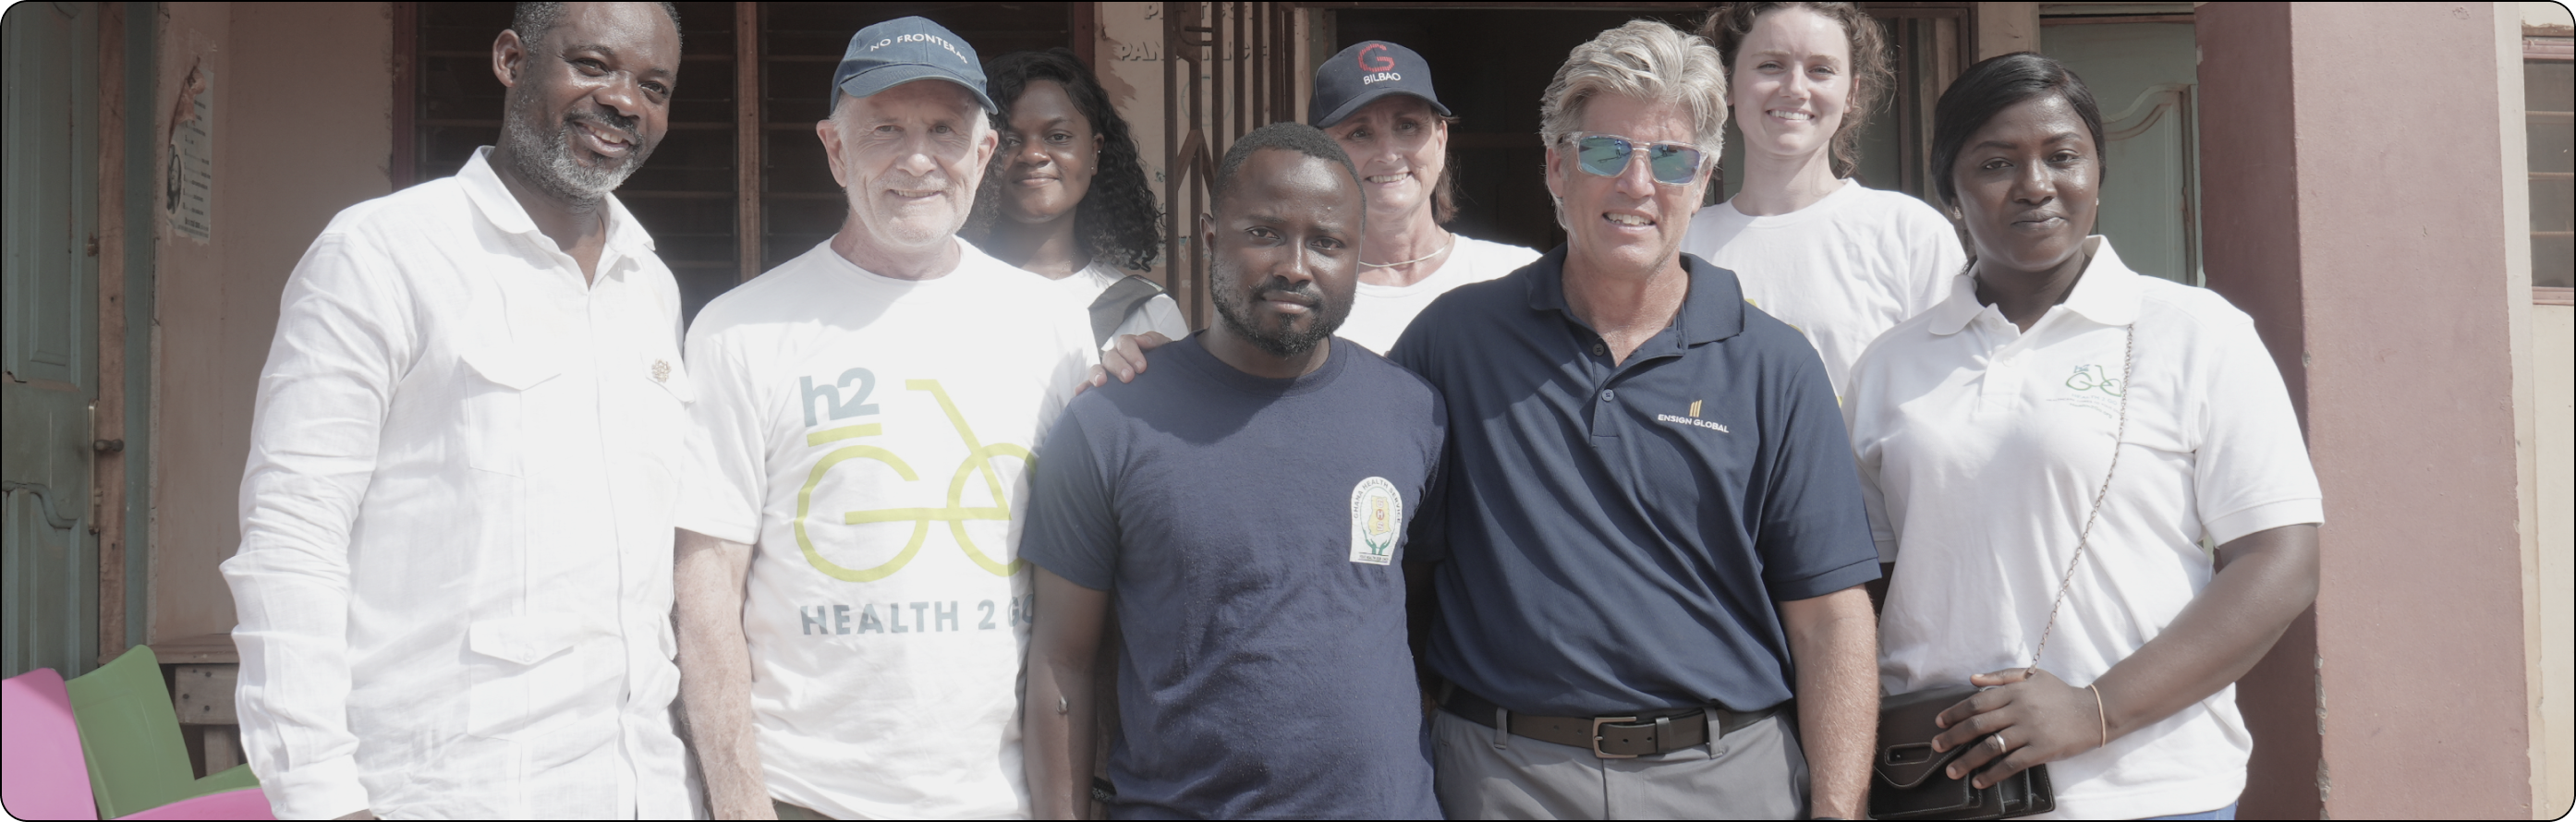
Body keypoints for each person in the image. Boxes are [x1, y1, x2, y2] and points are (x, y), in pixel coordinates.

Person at [1391, 20, 1877, 820]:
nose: (1638, 184)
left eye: (1672, 158)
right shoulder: (1455, 342)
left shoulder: (1775, 365)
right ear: (1557, 166)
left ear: (1705, 177)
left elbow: (1830, 619)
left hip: (1727, 778)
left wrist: (1838, 808)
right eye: (1606, 152)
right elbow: (1382, 561)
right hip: (1505, 779)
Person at [222, 3, 693, 818]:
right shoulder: (382, 252)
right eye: (592, 66)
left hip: (641, 787)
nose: (624, 101)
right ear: (512, 60)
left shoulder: (650, 285)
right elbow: (293, 534)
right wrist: (322, 797)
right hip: (449, 791)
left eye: (653, 87)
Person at [1844, 53, 2320, 822]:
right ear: (1950, 193)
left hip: (2151, 790)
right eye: (1996, 163)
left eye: (2062, 156)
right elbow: (1862, 586)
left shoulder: (2196, 333)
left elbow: (2280, 560)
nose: (2035, 184)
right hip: (1941, 788)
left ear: (2098, 173)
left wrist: (2096, 709)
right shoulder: (1890, 366)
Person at [670, 17, 1097, 820]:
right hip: (805, 797)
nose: (917, 160)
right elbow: (706, 587)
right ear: (835, 149)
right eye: (885, 130)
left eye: (944, 131)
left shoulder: (1054, 327)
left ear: (984, 152)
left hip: (999, 800)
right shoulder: (739, 331)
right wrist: (740, 803)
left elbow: (1083, 577)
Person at [1020, 122, 1444, 820]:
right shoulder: (1110, 423)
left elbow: (1418, 611)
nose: (1296, 266)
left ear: (1357, 254)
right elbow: (1062, 661)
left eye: (1328, 242)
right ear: (1213, 237)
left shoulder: (1413, 413)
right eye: (1265, 233)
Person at [1683, 1, 1963, 396]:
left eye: (1821, 70)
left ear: (1852, 93)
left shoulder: (1910, 233)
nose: (1795, 88)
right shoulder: (1683, 240)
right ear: (1727, 83)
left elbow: (1952, 395)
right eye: (1770, 65)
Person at [1311, 40, 1542, 353]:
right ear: (1321, 154)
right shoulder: (1301, 295)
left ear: (1440, 140)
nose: (1389, 154)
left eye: (1407, 126)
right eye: (1359, 133)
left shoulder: (1519, 277)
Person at [965, 47, 1188, 349]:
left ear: (1094, 153)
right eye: (1010, 140)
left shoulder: (1148, 315)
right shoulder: (934, 294)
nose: (1033, 154)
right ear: (981, 154)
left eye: (1058, 137)